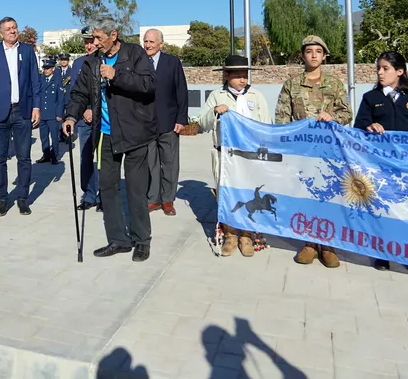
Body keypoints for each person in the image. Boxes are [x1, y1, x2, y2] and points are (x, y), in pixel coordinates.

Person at [64, 18, 157, 262]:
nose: (94, 43)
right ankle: (118, 240)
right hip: (106, 133)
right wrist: (71, 116)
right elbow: (80, 92)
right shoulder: (92, 62)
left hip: (135, 133)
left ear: (113, 35)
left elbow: (148, 85)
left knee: (136, 189)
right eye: (92, 38)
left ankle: (141, 240)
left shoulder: (134, 54)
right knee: (108, 187)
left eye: (98, 38)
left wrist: (117, 76)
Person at [354, 51, 408, 272]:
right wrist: (369, 127)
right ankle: (382, 253)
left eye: (385, 68)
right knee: (384, 208)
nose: (380, 72)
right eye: (378, 68)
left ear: (399, 71)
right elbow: (358, 127)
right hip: (381, 164)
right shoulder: (371, 98)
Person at [275, 35, 352, 269]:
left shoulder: (335, 84)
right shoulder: (291, 84)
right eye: (309, 51)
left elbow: (347, 113)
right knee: (306, 195)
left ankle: (328, 245)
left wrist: (333, 116)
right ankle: (309, 242)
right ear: (303, 55)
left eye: (318, 51)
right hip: (302, 152)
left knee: (329, 196)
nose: (314, 55)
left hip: (329, 152)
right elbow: (281, 118)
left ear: (325, 55)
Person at [198, 54, 271, 257]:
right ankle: (230, 234)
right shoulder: (216, 95)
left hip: (249, 155)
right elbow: (202, 123)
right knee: (226, 192)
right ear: (226, 75)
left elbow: (265, 125)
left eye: (245, 75)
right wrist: (214, 111)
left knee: (248, 193)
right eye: (237, 75)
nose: (242, 79)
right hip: (225, 155)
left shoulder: (256, 96)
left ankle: (246, 235)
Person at [0, 16, 42, 217]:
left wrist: (37, 107)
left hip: (22, 111)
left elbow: (35, 82)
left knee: (24, 157)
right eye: (8, 29)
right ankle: (3, 198)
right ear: (1, 33)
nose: (12, 31)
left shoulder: (27, 51)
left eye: (14, 28)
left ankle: (23, 197)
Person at [142, 29, 188, 216]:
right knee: (150, 163)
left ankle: (168, 199)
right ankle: (153, 199)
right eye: (146, 41)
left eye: (152, 41)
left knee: (169, 163)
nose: (148, 45)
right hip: (146, 124)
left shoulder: (172, 62)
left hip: (169, 122)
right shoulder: (139, 62)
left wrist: (181, 119)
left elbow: (181, 91)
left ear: (161, 44)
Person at [67, 28, 102, 211]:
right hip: (84, 120)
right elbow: (76, 91)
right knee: (86, 158)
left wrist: (92, 110)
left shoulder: (104, 60)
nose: (89, 45)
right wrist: (83, 111)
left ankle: (105, 195)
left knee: (104, 159)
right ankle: (89, 195)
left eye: (91, 41)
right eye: (86, 42)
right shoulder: (78, 63)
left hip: (102, 118)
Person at [36, 59, 63, 164]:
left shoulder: (57, 80)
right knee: (43, 137)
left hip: (53, 114)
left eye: (48, 68)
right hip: (43, 114)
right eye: (44, 68)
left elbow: (60, 99)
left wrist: (59, 114)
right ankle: (46, 154)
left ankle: (55, 155)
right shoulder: (40, 80)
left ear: (53, 69)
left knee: (54, 137)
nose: (45, 70)